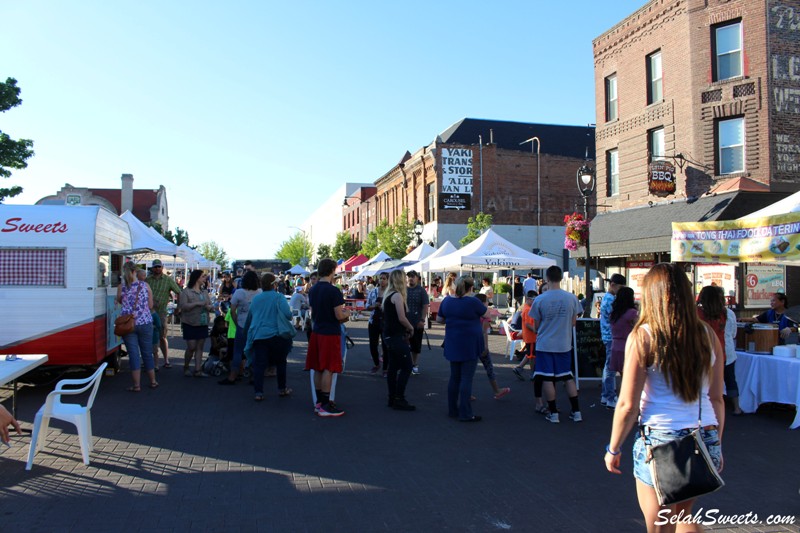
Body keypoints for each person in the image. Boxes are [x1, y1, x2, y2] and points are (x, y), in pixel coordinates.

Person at [604, 263, 725, 532]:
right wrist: (716, 443)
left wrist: (613, 448)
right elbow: (717, 398)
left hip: (660, 440)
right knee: (683, 515)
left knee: (660, 525)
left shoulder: (644, 336)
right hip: (703, 434)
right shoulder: (707, 335)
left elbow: (627, 404)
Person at [530, 265, 584, 423]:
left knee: (547, 378)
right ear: (561, 278)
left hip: (545, 344)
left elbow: (536, 326)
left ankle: (553, 413)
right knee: (567, 377)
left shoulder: (540, 299)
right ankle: (576, 411)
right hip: (564, 343)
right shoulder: (572, 298)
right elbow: (574, 322)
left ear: (547, 278)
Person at [438, 276, 492, 422]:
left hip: (453, 341)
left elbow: (439, 319)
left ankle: (452, 410)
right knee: (466, 378)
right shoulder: (473, 302)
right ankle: (465, 413)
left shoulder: (447, 301)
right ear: (471, 287)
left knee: (454, 377)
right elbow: (486, 314)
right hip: (469, 343)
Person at [305, 258, 350, 417]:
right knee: (328, 368)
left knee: (318, 367)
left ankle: (319, 402)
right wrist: (347, 314)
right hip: (330, 332)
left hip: (317, 332)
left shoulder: (313, 289)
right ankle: (325, 404)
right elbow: (339, 315)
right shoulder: (333, 291)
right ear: (332, 270)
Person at [242, 272, 294, 401]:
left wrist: (246, 333)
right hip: (277, 335)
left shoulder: (256, 299)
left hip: (259, 335)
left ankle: (258, 392)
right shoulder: (279, 297)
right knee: (281, 363)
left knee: (259, 365)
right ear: (274, 284)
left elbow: (250, 317)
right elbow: (288, 315)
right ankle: (282, 389)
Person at [117, 262, 156, 391]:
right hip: (145, 322)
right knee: (147, 353)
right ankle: (153, 381)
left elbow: (120, 301)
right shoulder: (145, 286)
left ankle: (136, 385)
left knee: (133, 355)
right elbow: (150, 306)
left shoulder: (121, 287)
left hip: (129, 325)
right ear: (135, 272)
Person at [382, 269, 417, 411]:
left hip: (390, 335)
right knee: (407, 366)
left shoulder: (388, 294)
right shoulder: (397, 296)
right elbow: (402, 318)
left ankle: (392, 397)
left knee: (393, 367)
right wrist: (411, 328)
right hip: (395, 336)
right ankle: (399, 397)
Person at [219, 271, 262, 385]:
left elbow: (232, 310)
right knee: (254, 351)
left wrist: (237, 322)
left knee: (237, 351)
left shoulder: (239, 293)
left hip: (242, 324)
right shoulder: (260, 292)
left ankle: (233, 376)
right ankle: (254, 376)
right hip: (255, 325)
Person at [146, 259, 182, 369]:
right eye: (155, 267)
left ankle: (166, 360)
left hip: (161, 312)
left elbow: (179, 292)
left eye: (159, 266)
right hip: (148, 313)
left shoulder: (167, 280)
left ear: (162, 267)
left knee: (162, 336)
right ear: (152, 268)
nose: (157, 268)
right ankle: (148, 360)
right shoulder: (147, 280)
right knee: (147, 337)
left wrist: (178, 307)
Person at [179, 269, 215, 377]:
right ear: (197, 278)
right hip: (190, 322)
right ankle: (186, 366)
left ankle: (197, 370)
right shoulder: (186, 291)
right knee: (191, 346)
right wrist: (198, 303)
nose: (205, 279)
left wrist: (210, 307)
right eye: (203, 276)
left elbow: (209, 305)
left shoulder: (204, 292)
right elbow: (183, 306)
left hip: (202, 322)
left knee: (200, 346)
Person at [475, 293, 511, 400]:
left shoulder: (473, 313)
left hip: (470, 343)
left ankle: (465, 393)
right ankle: (496, 390)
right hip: (480, 344)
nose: (487, 303)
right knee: (489, 367)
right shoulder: (485, 314)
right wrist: (486, 346)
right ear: (482, 303)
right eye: (486, 301)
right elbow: (484, 332)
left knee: (468, 370)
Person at [600, 273, 626, 409]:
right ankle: (610, 396)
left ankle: (606, 395)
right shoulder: (610, 300)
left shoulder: (607, 297)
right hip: (612, 336)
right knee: (611, 368)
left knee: (608, 367)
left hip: (607, 336)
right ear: (613, 285)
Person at [405, 271, 429, 375]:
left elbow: (425, 306)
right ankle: (406, 364)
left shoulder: (421, 290)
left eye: (413, 277)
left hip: (417, 322)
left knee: (416, 345)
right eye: (409, 277)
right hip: (404, 322)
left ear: (417, 278)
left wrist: (422, 320)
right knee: (404, 344)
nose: (411, 278)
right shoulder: (403, 290)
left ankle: (414, 364)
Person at [609, 286, 637, 374]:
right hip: (628, 346)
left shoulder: (614, 313)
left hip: (615, 346)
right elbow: (639, 327)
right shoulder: (632, 313)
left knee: (623, 377)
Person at [366, 272, 389, 374]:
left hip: (386, 321)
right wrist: (374, 306)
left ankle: (385, 368)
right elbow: (367, 306)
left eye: (384, 278)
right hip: (373, 321)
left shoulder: (391, 292)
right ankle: (376, 364)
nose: (382, 280)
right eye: (380, 278)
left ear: (388, 280)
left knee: (386, 345)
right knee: (373, 344)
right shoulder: (373, 291)